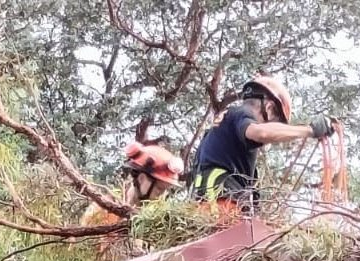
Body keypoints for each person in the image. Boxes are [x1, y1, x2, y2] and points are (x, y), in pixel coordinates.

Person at [189, 75, 336, 218]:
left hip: (223, 199)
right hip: (220, 199)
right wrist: (310, 130)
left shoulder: (228, 133)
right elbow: (260, 133)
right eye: (275, 123)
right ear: (270, 108)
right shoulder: (240, 113)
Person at [80, 140, 184, 227]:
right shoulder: (101, 209)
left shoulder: (153, 225)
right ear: (142, 179)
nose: (162, 196)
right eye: (160, 189)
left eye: (166, 190)